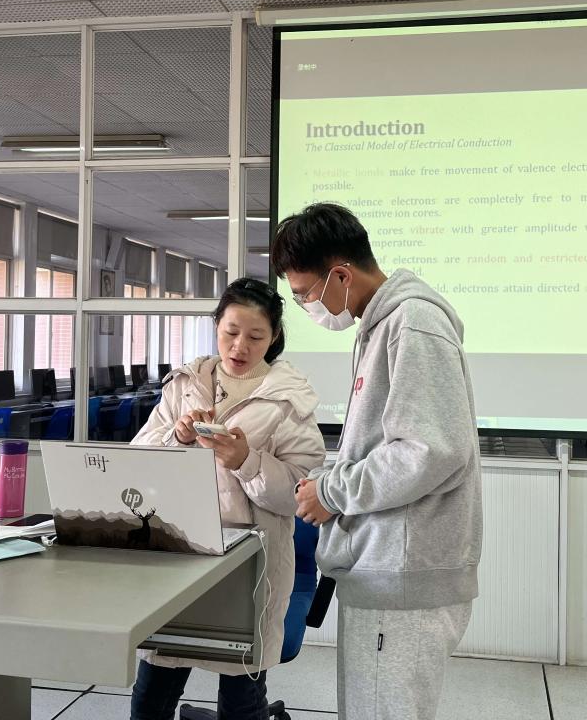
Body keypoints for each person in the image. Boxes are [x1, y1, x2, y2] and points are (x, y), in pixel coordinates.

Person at [271, 203, 482, 720]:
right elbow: (384, 446)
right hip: (382, 569)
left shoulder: (413, 322)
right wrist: (327, 481)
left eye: (305, 294)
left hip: (402, 577)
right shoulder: (380, 326)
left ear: (341, 276)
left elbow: (430, 450)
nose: (305, 306)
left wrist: (331, 492)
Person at [129, 277, 326, 720]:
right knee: (153, 691)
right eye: (231, 332)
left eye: (255, 336)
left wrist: (246, 461)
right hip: (180, 556)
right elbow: (138, 462)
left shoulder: (288, 399)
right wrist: (177, 437)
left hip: (251, 568)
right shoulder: (185, 384)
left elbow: (300, 491)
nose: (240, 346)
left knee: (241, 698)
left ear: (273, 337)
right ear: (216, 325)